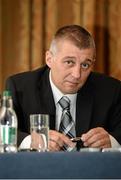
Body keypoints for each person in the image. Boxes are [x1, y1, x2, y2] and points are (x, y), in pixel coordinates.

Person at [6, 24, 121, 151]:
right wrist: (32, 141)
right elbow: (3, 130)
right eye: (69, 62)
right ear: (49, 59)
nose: (77, 74)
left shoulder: (111, 90)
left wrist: (111, 141)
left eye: (85, 65)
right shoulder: (20, 87)